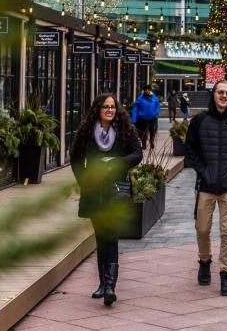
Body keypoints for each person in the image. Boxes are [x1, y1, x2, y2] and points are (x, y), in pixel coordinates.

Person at [69, 93, 143, 306]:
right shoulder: (86, 133)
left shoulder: (125, 130)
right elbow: (75, 158)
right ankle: (103, 284)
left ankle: (110, 286)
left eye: (113, 106)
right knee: (101, 237)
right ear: (97, 109)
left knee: (110, 235)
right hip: (94, 192)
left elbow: (137, 154)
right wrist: (84, 180)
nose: (110, 110)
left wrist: (117, 163)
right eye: (105, 107)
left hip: (116, 190)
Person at [184, 80, 227, 296]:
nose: (224, 96)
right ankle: (204, 261)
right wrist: (204, 172)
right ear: (213, 94)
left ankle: (226, 275)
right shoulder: (200, 120)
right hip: (206, 185)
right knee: (202, 228)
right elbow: (190, 150)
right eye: (220, 92)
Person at [131, 85, 160, 151]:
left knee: (152, 131)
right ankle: (144, 144)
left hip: (152, 118)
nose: (147, 91)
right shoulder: (140, 99)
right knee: (143, 132)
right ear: (144, 91)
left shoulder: (154, 98)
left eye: (148, 89)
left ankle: (151, 141)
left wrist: (156, 112)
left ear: (150, 90)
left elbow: (157, 105)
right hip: (142, 118)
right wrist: (134, 119)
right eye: (146, 90)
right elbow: (135, 108)